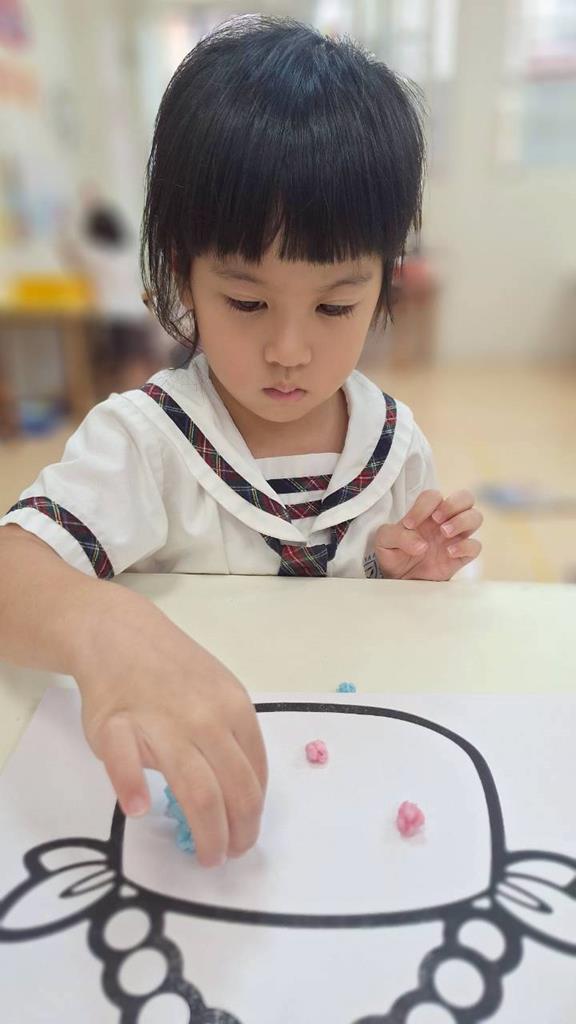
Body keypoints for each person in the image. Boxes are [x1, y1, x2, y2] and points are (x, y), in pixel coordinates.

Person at [0, 16, 482, 870]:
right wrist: (103, 627)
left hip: (352, 802)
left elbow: (400, 646)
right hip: (176, 815)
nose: (289, 350)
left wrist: (394, 576)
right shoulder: (145, 442)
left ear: (385, 283)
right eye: (247, 302)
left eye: (335, 306)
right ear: (181, 273)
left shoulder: (394, 446)